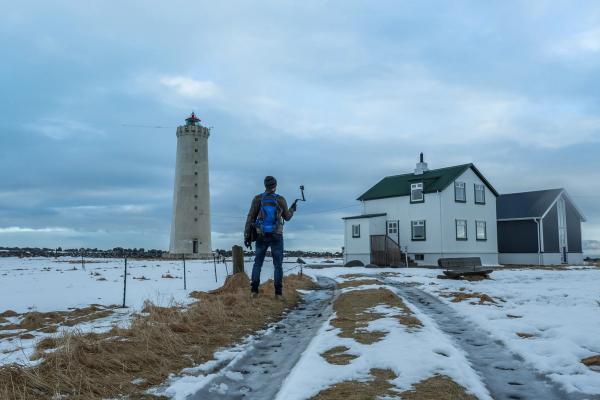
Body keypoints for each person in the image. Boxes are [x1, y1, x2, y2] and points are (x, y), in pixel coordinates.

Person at [244, 176, 296, 299]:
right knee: (278, 265)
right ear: (275, 185)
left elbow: (250, 217)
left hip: (261, 235)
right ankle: (278, 294)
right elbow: (287, 217)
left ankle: (254, 292)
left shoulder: (258, 199)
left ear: (265, 186)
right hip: (276, 235)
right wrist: (292, 209)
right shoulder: (280, 199)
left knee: (258, 264)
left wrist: (247, 235)